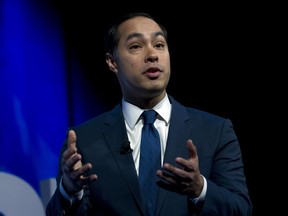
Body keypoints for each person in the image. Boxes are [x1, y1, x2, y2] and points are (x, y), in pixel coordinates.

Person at [46, 12, 252, 215]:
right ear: (112, 62)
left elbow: (241, 210)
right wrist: (69, 191)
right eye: (136, 46)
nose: (153, 54)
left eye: (159, 45)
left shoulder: (215, 131)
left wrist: (199, 189)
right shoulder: (84, 140)